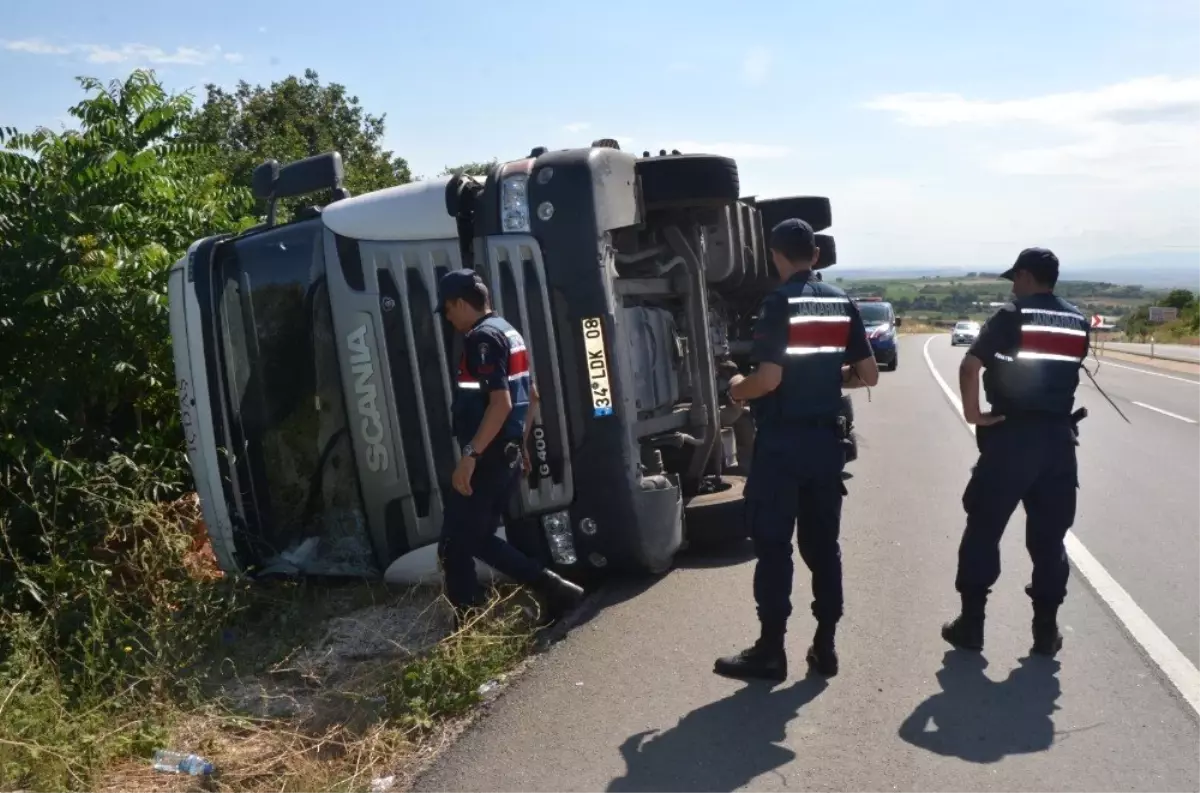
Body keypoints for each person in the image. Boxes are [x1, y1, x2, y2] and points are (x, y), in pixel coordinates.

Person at [714, 219, 879, 682]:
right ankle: (824, 648)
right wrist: (831, 379)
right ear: (816, 255)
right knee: (823, 548)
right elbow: (868, 375)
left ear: (775, 255)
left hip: (783, 445)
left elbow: (768, 380)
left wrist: (735, 390)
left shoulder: (778, 302)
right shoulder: (841, 301)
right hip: (826, 445)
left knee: (773, 547)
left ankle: (771, 651)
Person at [942, 248, 1089, 658]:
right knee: (1049, 538)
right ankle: (1045, 632)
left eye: (1015, 278)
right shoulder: (1077, 320)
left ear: (1026, 276)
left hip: (1011, 437)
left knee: (984, 529)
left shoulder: (1012, 316)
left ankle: (971, 625)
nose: (1012, 286)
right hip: (1059, 443)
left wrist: (975, 415)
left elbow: (970, 366)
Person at [436, 269, 584, 622]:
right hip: (507, 454)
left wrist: (470, 455)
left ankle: (469, 625)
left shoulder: (481, 339)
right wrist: (522, 442)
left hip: (487, 458)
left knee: (453, 546)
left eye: (446, 308)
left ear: (459, 302)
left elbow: (501, 403)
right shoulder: (508, 331)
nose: (447, 316)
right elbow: (531, 396)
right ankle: (557, 590)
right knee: (480, 538)